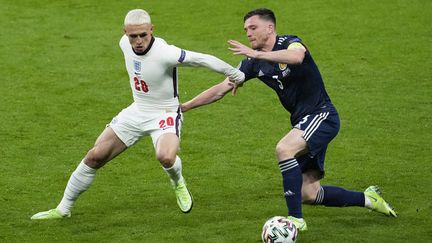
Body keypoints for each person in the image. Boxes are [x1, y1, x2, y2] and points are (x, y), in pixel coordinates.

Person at [181, 8, 397, 231]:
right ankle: (368, 199)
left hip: (322, 115)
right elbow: (221, 88)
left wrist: (258, 55)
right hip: (303, 122)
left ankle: (295, 220)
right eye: (246, 30)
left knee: (284, 149)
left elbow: (297, 56)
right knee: (309, 193)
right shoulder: (253, 62)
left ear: (270, 28)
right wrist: (185, 107)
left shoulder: (290, 42)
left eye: (253, 28)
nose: (248, 34)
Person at [30, 9, 244, 220]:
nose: (139, 40)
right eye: (133, 36)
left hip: (165, 113)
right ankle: (63, 209)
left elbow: (202, 59)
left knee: (166, 157)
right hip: (137, 110)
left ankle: (178, 182)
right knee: (95, 156)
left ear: (152, 30)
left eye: (144, 34)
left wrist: (235, 74)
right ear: (125, 33)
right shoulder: (124, 44)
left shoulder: (165, 52)